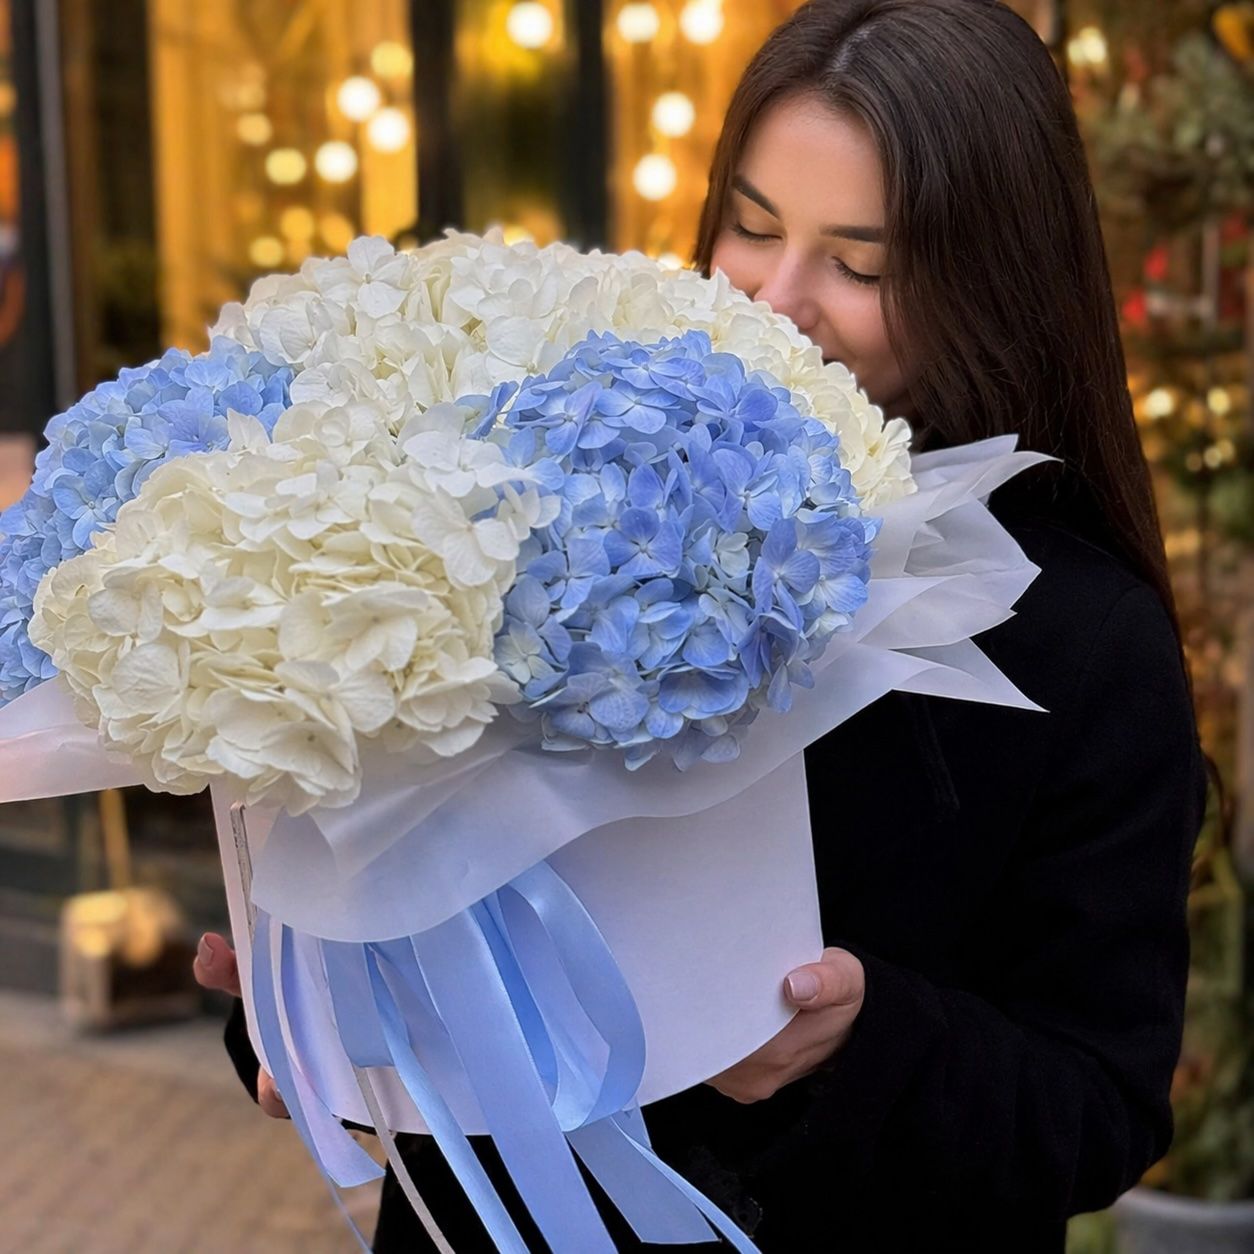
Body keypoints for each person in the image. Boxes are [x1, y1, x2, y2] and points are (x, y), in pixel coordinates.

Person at [197, 1, 1208, 1249]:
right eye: (752, 226)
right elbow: (428, 884)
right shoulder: (531, 487)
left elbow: (1099, 1106)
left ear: (992, 282)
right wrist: (309, 1006)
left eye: (859, 266)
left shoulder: (1081, 639)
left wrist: (864, 1044)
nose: (778, 299)